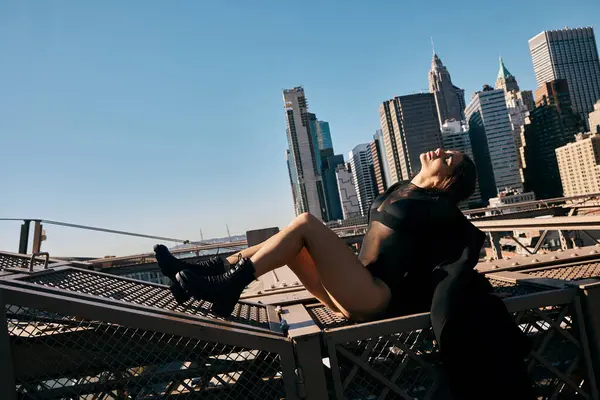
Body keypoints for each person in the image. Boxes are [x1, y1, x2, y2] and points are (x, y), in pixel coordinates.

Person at [153, 148, 478, 319]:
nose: (440, 151)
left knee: (305, 223)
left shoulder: (438, 206)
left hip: (374, 296)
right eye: (446, 150)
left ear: (448, 181)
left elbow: (466, 239)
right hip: (350, 288)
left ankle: (226, 286)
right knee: (291, 240)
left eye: (448, 159)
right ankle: (206, 272)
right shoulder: (402, 188)